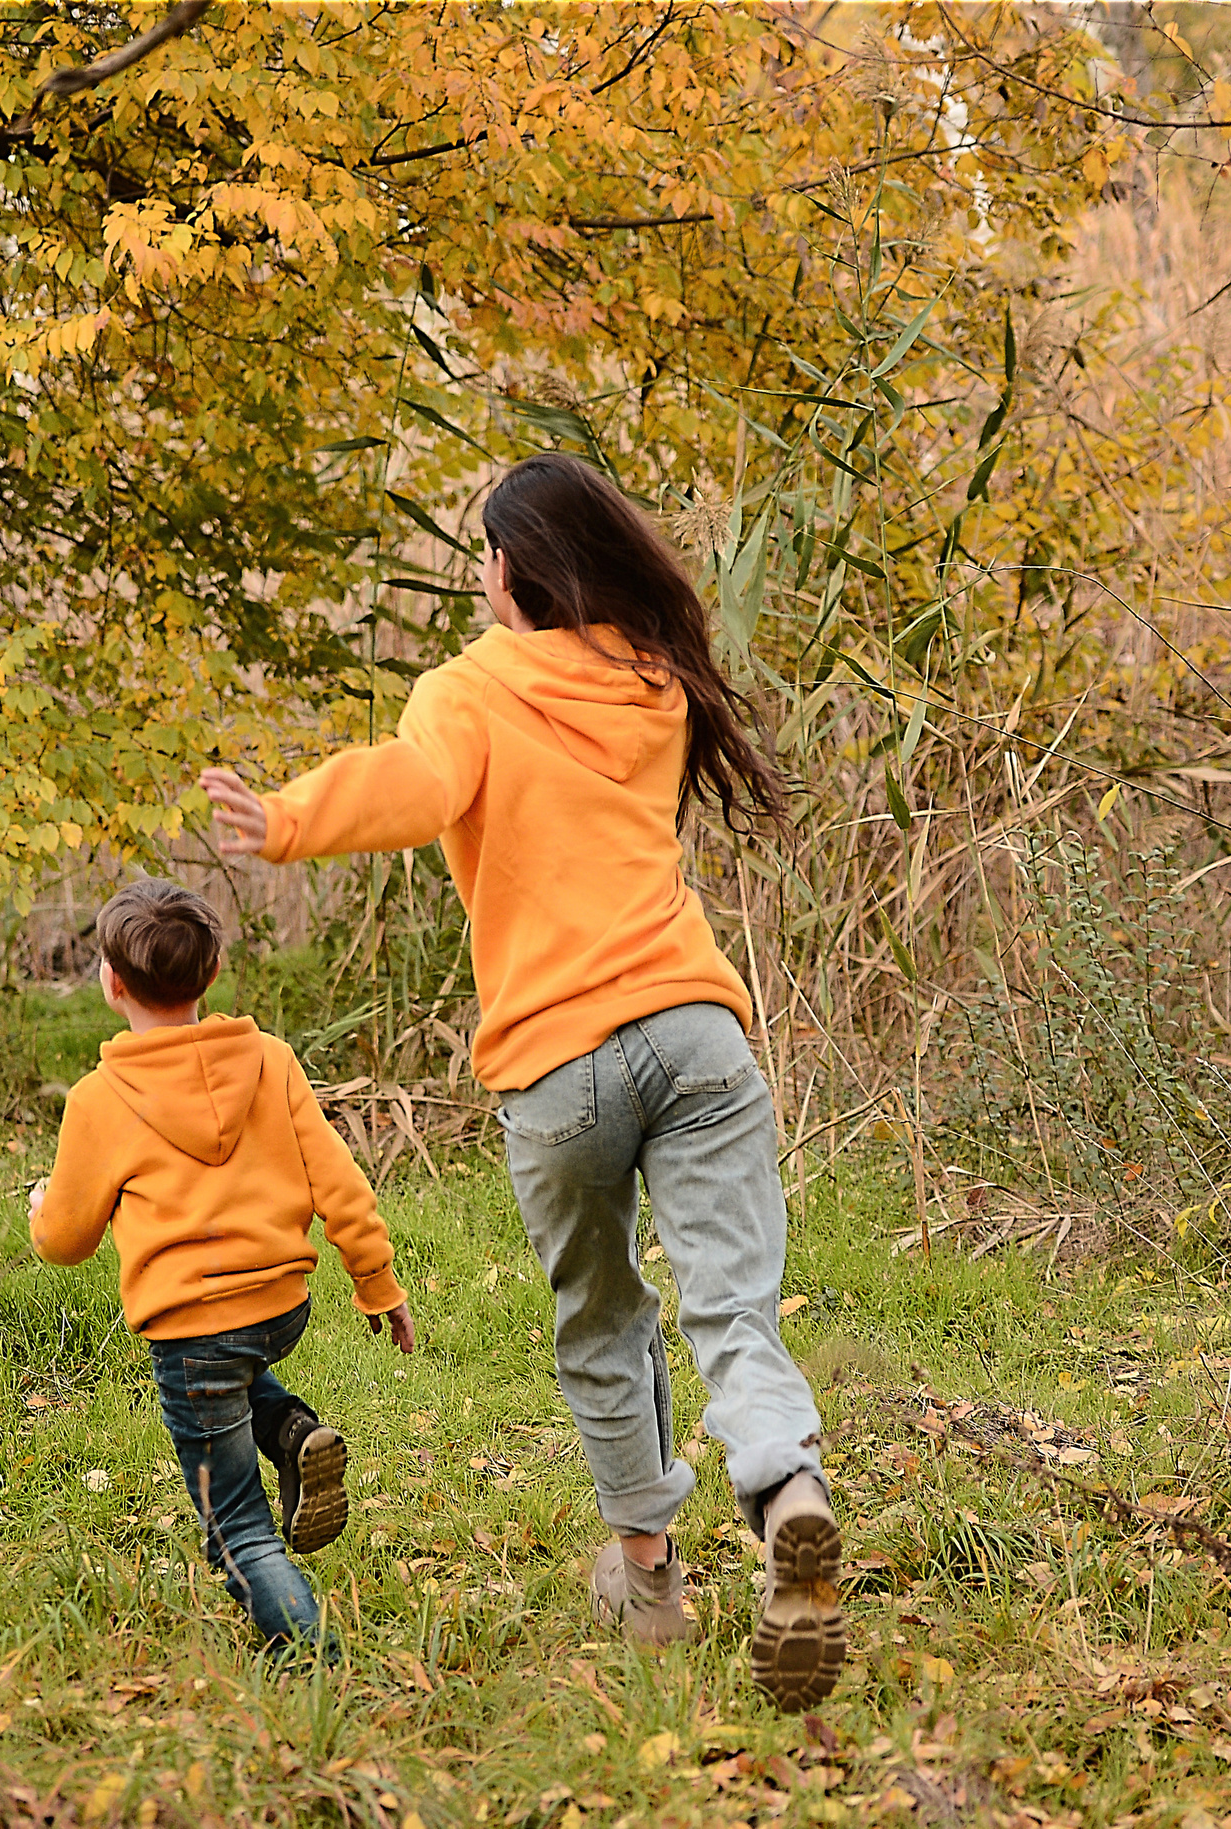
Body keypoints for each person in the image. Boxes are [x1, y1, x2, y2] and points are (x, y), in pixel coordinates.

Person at [198, 452, 843, 1709]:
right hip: (695, 1029)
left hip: (558, 1065)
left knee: (603, 1317)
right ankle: (785, 1490)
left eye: (485, 554)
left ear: (512, 567)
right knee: (733, 1310)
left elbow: (416, 786)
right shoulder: (654, 677)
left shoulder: (471, 691)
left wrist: (283, 818)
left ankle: (649, 1580)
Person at [29, 877, 417, 1650]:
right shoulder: (269, 1061)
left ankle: (311, 1662)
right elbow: (340, 1180)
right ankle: (291, 1430)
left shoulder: (100, 1100)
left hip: (194, 1325)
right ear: (211, 974)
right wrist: (377, 1283)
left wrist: (43, 1206)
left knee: (236, 1522)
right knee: (231, 1372)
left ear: (111, 982)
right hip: (281, 1306)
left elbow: (65, 1241)